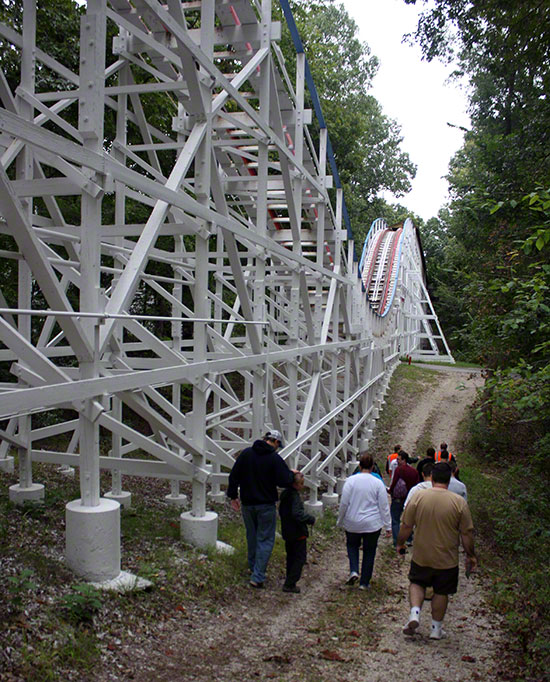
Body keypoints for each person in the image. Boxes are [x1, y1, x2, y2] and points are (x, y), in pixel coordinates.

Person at [397, 462, 477, 640]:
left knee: (417, 582)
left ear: (431, 477)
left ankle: (415, 613)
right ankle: (436, 628)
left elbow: (406, 525)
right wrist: (470, 555)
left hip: (422, 553)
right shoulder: (458, 502)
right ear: (449, 479)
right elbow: (467, 532)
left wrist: (400, 543)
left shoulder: (418, 497)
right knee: (441, 591)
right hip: (446, 557)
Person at [227, 429, 294, 588]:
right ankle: (257, 576)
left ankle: (254, 568)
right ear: (276, 442)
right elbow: (284, 480)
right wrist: (292, 475)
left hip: (247, 504)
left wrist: (233, 496)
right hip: (265, 504)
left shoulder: (246, 454)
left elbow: (234, 475)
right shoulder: (274, 458)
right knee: (265, 539)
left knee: (252, 536)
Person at [337, 453, 391, 589]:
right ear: (373, 467)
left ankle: (354, 570)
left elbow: (344, 503)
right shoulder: (378, 483)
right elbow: (384, 506)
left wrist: (340, 520)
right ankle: (364, 582)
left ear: (359, 466)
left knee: (352, 545)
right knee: (369, 551)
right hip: (372, 524)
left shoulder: (351, 481)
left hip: (353, 521)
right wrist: (388, 525)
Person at [279, 472, 316, 594]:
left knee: (291, 556)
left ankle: (289, 579)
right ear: (297, 484)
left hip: (287, 530)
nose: (302, 486)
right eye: (301, 484)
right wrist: (309, 519)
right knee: (299, 558)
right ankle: (290, 583)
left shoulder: (285, 494)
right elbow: (297, 513)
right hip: (297, 532)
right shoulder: (294, 497)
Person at [387, 451, 419, 546]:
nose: (397, 461)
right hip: (409, 499)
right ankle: (409, 539)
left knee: (395, 520)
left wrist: (390, 491)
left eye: (398, 459)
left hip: (398, 498)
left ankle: (397, 541)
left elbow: (394, 483)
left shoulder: (398, 470)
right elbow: (416, 485)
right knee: (408, 520)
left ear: (404, 460)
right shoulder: (414, 472)